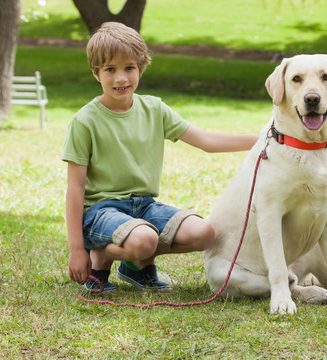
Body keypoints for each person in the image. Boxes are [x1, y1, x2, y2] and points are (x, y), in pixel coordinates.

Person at [62, 22, 257, 294]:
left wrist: (262, 140)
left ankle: (135, 269)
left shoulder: (154, 108)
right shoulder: (84, 121)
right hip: (101, 211)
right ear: (96, 73)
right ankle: (100, 262)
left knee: (204, 233)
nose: (121, 78)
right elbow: (75, 188)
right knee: (144, 238)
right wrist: (76, 248)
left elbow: (207, 141)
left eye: (129, 68)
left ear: (140, 68)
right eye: (110, 69)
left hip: (143, 207)